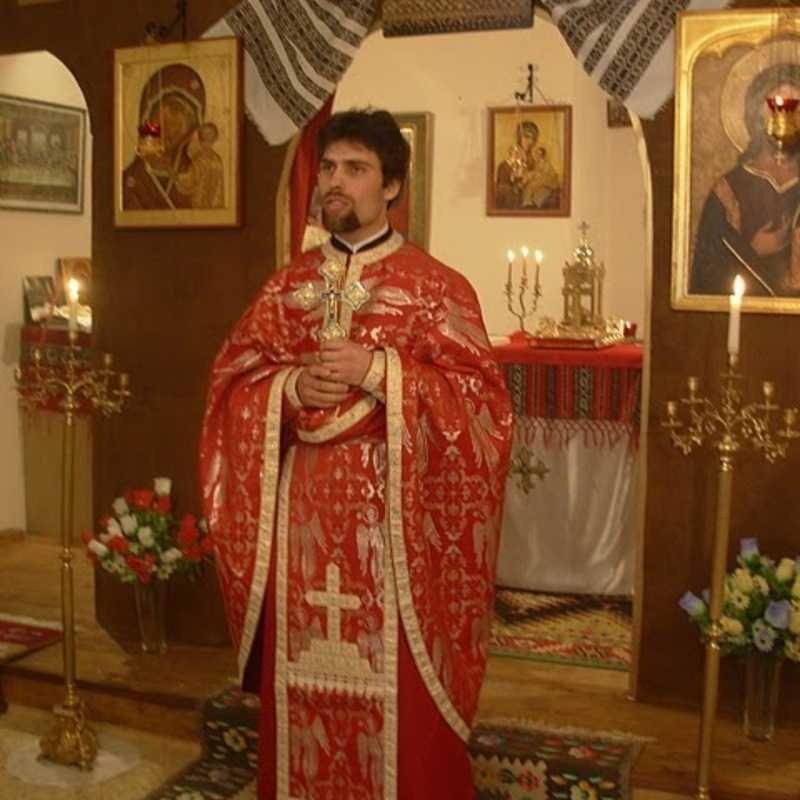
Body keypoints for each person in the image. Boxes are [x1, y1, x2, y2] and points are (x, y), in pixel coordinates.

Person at [200, 108, 513, 799]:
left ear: (393, 186)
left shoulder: (436, 287)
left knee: (399, 691)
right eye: (329, 168)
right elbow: (233, 382)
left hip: (395, 534)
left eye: (356, 169)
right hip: (304, 526)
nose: (335, 182)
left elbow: (485, 412)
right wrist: (286, 388)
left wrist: (380, 371)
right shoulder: (286, 287)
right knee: (303, 679)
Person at [690, 63, 800, 297]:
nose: (785, 119)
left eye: (795, 107)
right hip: (746, 322)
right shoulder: (728, 190)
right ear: (759, 114)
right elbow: (706, 275)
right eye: (776, 107)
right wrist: (753, 252)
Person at [122, 63, 223, 211]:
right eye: (174, 109)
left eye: (189, 117)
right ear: (148, 111)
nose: (179, 126)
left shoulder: (199, 177)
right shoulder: (129, 183)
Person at [494, 120, 538, 209]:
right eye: (526, 137)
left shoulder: (532, 161)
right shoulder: (504, 166)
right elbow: (504, 190)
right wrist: (521, 184)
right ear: (519, 137)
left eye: (533, 138)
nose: (530, 142)